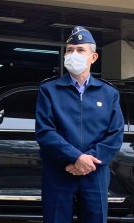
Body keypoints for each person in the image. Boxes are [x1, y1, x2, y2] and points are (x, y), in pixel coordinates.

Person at [35, 26, 124, 223]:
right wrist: (76, 157)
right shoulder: (49, 90)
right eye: (69, 50)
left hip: (95, 173)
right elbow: (45, 132)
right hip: (59, 171)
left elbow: (115, 134)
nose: (73, 54)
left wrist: (87, 161)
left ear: (93, 57)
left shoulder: (109, 93)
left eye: (80, 50)